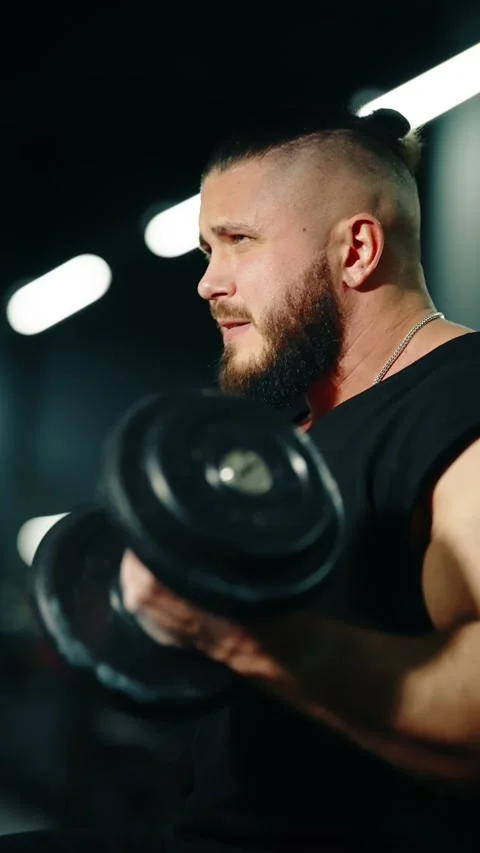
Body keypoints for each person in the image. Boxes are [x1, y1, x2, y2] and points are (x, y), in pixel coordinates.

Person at [7, 106, 480, 851]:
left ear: (357, 249)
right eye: (204, 248)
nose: (206, 283)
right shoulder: (285, 436)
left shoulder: (461, 397)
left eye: (237, 242)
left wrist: (246, 637)